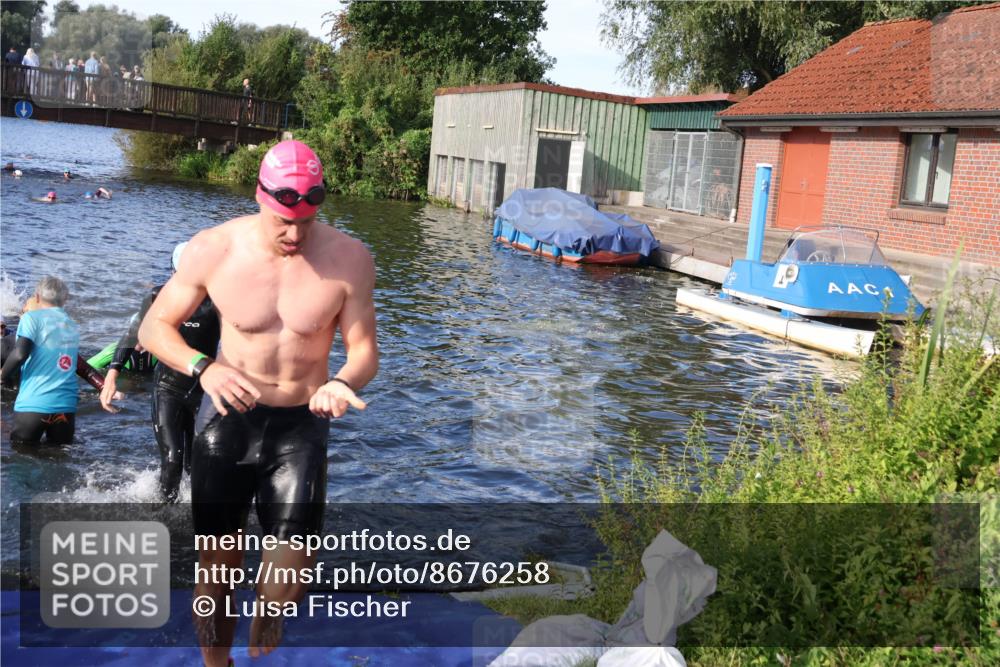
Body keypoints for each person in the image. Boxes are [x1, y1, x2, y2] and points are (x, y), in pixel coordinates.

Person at [138, 140, 378, 665]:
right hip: (226, 424)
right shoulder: (214, 248)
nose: (295, 235)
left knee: (289, 575)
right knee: (217, 571)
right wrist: (205, 367)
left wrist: (343, 382)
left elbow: (363, 352)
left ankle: (258, 654)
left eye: (307, 222)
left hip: (301, 426)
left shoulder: (350, 260)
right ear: (260, 197)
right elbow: (154, 327)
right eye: (284, 222)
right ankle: (216, 664)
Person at [101, 242, 221, 502]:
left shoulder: (218, 302)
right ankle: (163, 516)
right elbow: (132, 334)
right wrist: (112, 375)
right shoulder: (158, 296)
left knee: (198, 463)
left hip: (203, 392)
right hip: (167, 389)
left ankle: (196, 517)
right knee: (172, 458)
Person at [1, 277, 80, 445]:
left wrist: (3, 375)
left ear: (37, 297)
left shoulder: (31, 319)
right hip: (66, 406)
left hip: (34, 405)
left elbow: (20, 354)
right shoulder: (72, 325)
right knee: (59, 459)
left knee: (21, 460)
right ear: (65, 299)